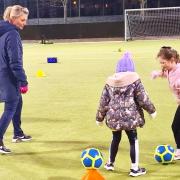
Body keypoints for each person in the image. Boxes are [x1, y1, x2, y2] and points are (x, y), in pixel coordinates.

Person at [96, 52, 156, 177]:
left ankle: (110, 163)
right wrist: (152, 110)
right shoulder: (135, 80)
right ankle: (134, 169)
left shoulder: (110, 82)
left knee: (115, 139)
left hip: (113, 118)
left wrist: (99, 118)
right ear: (132, 67)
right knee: (133, 140)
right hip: (131, 118)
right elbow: (143, 98)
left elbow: (103, 101)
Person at [0, 5, 32, 153]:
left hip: (3, 74)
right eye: (22, 20)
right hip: (8, 76)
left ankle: (17, 133)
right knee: (11, 106)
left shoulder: (3, 31)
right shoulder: (12, 34)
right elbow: (15, 62)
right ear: (13, 18)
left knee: (17, 101)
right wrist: (23, 80)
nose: (25, 23)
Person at [151, 46, 180, 160]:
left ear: (172, 59)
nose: (162, 65)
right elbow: (165, 74)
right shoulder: (168, 69)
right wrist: (157, 74)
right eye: (161, 63)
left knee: (176, 126)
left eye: (164, 62)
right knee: (176, 126)